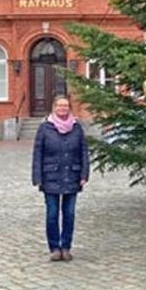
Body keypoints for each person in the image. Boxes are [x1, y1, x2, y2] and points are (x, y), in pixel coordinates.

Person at [32, 96, 90, 261]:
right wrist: (37, 177)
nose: (62, 108)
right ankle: (54, 247)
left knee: (69, 214)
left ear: (69, 108)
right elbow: (38, 153)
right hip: (50, 176)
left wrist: (84, 174)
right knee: (52, 214)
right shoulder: (44, 128)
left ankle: (66, 246)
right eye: (59, 105)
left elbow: (83, 152)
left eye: (65, 106)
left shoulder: (77, 128)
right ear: (54, 108)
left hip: (72, 175)